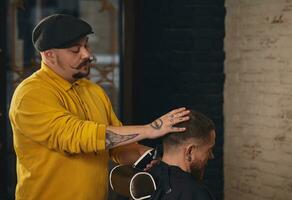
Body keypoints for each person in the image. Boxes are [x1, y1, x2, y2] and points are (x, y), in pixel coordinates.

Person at [9, 14, 190, 200]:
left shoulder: (93, 91)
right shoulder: (30, 95)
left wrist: (156, 159)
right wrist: (150, 129)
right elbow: (76, 136)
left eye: (86, 45)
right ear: (49, 55)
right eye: (75, 50)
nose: (87, 54)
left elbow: (119, 147)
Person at [148, 110, 216, 200]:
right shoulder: (195, 193)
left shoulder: (143, 180)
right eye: (209, 150)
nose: (211, 156)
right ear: (190, 152)